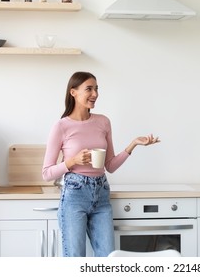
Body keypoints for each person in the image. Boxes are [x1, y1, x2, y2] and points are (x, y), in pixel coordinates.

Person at [42, 71, 160, 257]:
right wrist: (72, 161)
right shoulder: (61, 126)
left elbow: (110, 165)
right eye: (89, 89)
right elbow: (47, 173)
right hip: (74, 196)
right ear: (73, 92)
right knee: (75, 258)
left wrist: (133, 144)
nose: (95, 94)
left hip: (101, 194)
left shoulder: (103, 122)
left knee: (108, 258)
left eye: (96, 89)